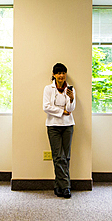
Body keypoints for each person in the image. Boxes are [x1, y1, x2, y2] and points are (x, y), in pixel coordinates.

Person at [43, 62, 75, 198]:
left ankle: (58, 185)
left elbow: (71, 109)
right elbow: (46, 107)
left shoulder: (70, 89)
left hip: (68, 125)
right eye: (58, 73)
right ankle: (66, 187)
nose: (61, 76)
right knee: (58, 156)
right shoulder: (48, 89)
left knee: (66, 156)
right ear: (54, 75)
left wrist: (71, 99)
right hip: (53, 126)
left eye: (63, 73)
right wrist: (62, 111)